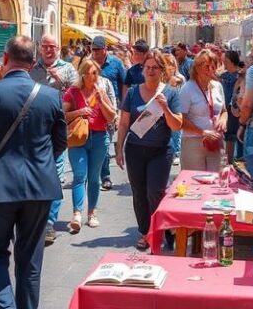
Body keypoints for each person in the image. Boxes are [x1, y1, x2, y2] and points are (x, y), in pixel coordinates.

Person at [0, 35, 67, 309]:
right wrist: (40, 162)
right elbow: (60, 143)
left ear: (5, 59)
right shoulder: (51, 96)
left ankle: (4, 305)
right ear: (34, 63)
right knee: (30, 260)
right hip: (40, 187)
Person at [116, 51, 182, 251]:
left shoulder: (170, 93)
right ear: (142, 70)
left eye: (155, 68)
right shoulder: (134, 92)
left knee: (155, 192)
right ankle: (146, 232)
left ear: (162, 71)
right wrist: (118, 148)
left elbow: (177, 125)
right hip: (135, 149)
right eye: (148, 67)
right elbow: (124, 122)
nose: (151, 71)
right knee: (139, 193)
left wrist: (165, 108)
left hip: (160, 151)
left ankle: (164, 229)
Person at [28, 34, 78, 246]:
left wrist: (61, 81)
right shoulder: (31, 69)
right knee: (36, 175)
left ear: (59, 48)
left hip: (58, 128)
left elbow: (77, 96)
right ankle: (34, 219)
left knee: (56, 177)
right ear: (40, 48)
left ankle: (49, 222)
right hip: (34, 130)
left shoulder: (68, 69)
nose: (49, 50)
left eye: (53, 47)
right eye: (45, 46)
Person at [63, 58, 117, 231]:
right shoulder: (72, 92)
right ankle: (77, 214)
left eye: (96, 73)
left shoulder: (101, 91)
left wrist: (101, 101)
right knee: (80, 176)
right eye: (91, 73)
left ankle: (92, 213)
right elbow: (62, 116)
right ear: (83, 74)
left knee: (94, 178)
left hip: (99, 138)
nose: (94, 76)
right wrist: (79, 112)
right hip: (78, 138)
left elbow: (111, 117)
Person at [178, 49, 227, 171]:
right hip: (194, 142)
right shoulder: (187, 89)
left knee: (215, 181)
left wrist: (223, 119)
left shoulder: (217, 86)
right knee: (194, 184)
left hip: (216, 141)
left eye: (213, 66)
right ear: (197, 68)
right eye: (206, 66)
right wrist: (203, 132)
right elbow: (180, 119)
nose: (210, 70)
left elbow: (224, 111)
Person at [90, 35, 126, 191]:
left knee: (104, 144)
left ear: (105, 49)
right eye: (93, 49)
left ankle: (104, 176)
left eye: (97, 49)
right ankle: (92, 175)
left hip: (111, 108)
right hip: (91, 110)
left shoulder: (116, 64)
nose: (95, 52)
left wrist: (123, 109)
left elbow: (124, 85)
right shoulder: (88, 64)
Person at [162, 53, 186, 164]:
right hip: (164, 107)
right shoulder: (162, 78)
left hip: (176, 107)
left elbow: (181, 92)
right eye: (167, 64)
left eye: (172, 64)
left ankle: (176, 152)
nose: (170, 67)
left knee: (176, 131)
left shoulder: (180, 78)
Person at [220, 50, 242, 162]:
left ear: (233, 61)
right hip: (227, 110)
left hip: (238, 109)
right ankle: (229, 162)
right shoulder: (223, 75)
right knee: (229, 136)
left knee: (238, 136)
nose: (224, 62)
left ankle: (238, 161)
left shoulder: (241, 75)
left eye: (226, 60)